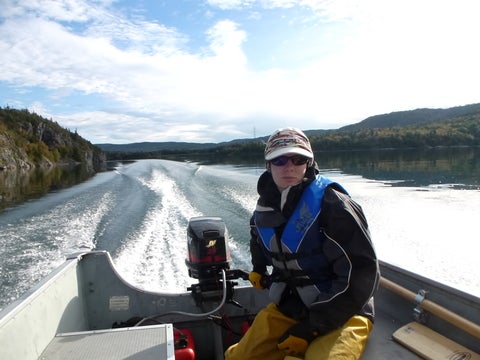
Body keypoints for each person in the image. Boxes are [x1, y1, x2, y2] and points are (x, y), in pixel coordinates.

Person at [225, 127, 380, 360]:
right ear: (268, 165)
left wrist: (313, 328)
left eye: (298, 159)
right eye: (279, 159)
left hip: (344, 310)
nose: (289, 166)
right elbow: (258, 239)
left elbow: (362, 273)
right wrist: (258, 269)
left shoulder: (334, 206)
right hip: (291, 306)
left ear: (309, 163)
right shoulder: (265, 208)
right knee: (239, 358)